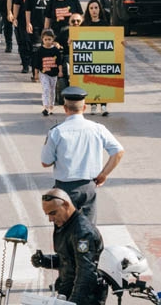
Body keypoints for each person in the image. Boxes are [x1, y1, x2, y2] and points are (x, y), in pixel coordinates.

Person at [41, 86, 124, 223]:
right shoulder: (98, 129)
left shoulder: (57, 132)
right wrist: (103, 174)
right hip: (88, 188)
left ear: (65, 108)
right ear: (84, 107)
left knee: (65, 231)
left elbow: (45, 162)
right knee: (88, 231)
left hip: (64, 190)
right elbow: (118, 152)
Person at [30, 188, 103, 305]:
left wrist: (74, 301)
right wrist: (44, 260)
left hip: (86, 296)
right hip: (68, 290)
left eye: (53, 213)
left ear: (65, 205)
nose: (50, 219)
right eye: (47, 214)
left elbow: (86, 271)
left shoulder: (82, 232)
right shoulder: (65, 224)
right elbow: (68, 260)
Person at [33, 28, 64, 116]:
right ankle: (46, 107)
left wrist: (60, 71)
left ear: (53, 39)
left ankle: (51, 106)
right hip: (44, 73)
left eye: (49, 39)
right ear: (42, 39)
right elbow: (37, 63)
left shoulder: (55, 51)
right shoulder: (40, 50)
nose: (47, 41)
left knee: (52, 90)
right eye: (45, 39)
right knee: (46, 89)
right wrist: (36, 74)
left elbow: (59, 62)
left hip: (53, 74)